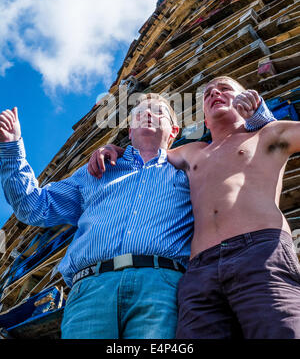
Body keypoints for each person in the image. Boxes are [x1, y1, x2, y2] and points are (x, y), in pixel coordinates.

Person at [0, 90, 272, 339]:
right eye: (140, 113)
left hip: (161, 285)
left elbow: (245, 156)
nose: (149, 115)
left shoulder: (191, 171)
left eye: (158, 112)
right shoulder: (96, 172)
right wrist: (11, 148)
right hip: (90, 288)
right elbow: (33, 207)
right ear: (130, 131)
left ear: (174, 130)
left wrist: (258, 115)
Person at [91, 77, 300, 339]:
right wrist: (114, 149)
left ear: (245, 98)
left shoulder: (270, 134)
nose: (215, 93)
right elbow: (148, 151)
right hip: (200, 269)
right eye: (208, 93)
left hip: (260, 252)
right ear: (204, 119)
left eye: (225, 89)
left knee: (281, 331)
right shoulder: (190, 153)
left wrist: (263, 117)